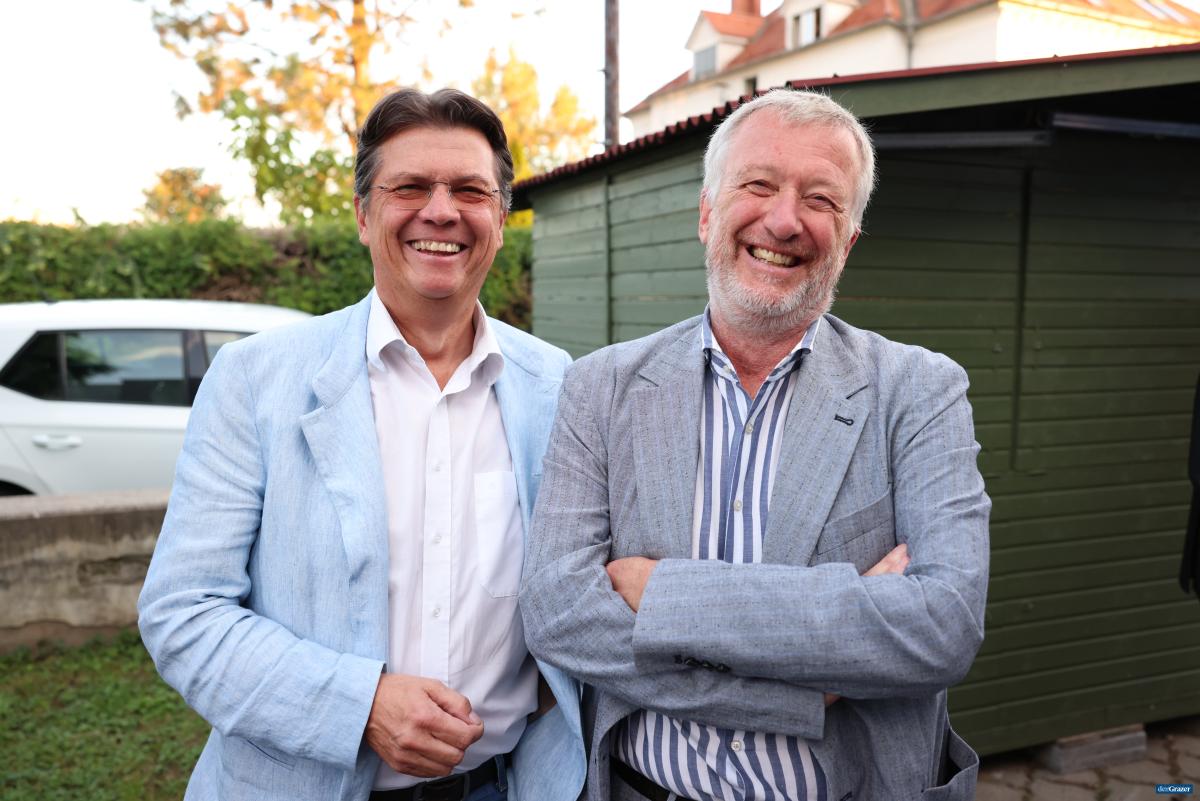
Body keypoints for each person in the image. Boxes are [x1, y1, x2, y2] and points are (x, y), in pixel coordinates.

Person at [520, 88, 991, 801]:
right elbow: (558, 613)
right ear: (707, 213)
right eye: (759, 185)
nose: (784, 220)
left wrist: (665, 592)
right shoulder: (603, 386)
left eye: (821, 199)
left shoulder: (919, 390)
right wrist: (799, 690)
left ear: (848, 241)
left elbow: (942, 626)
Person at [139, 88, 585, 801]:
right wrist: (360, 706)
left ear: (500, 220)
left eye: (470, 191)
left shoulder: (557, 385)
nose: (441, 211)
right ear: (361, 215)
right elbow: (184, 614)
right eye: (409, 187)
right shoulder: (256, 380)